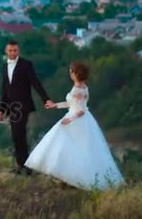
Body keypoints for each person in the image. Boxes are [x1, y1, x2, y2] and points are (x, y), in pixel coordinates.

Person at [24, 62, 125, 190]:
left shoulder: (78, 89)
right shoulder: (82, 87)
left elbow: (81, 110)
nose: (70, 73)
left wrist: (70, 119)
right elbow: (71, 104)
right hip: (76, 118)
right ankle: (66, 178)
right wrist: (55, 105)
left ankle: (70, 179)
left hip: (77, 121)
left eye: (71, 71)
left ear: (75, 74)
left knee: (69, 147)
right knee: (68, 147)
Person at [0, 40, 53, 175]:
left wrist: (46, 99)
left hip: (23, 106)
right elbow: (5, 90)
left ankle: (26, 166)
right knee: (16, 136)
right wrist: (1, 109)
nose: (12, 53)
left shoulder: (26, 65)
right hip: (11, 107)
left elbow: (36, 83)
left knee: (19, 134)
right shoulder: (4, 67)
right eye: (10, 50)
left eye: (15, 50)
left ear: (18, 50)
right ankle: (22, 165)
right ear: (6, 51)